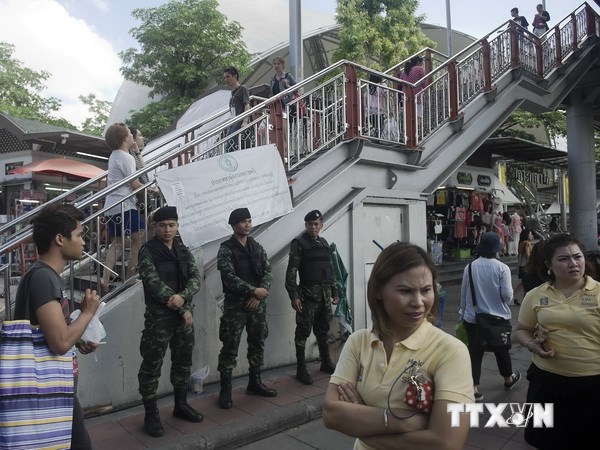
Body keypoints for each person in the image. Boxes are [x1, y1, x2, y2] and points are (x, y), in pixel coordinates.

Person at [323, 242, 473, 449]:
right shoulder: (358, 342)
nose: (418, 301)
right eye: (405, 291)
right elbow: (331, 414)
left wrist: (362, 427)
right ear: (378, 291)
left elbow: (446, 443)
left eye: (426, 290)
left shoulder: (451, 351)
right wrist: (402, 420)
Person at [14, 203, 102, 449]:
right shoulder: (43, 277)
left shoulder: (45, 275)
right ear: (60, 239)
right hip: (47, 390)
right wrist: (87, 313)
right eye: (79, 235)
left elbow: (55, 333)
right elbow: (60, 342)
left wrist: (79, 339)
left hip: (54, 388)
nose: (84, 242)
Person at [516, 233, 600, 449]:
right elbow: (523, 330)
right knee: (546, 441)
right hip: (547, 382)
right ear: (548, 265)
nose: (573, 263)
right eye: (563, 259)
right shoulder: (535, 295)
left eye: (577, 257)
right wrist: (530, 344)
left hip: (593, 384)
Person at [137, 206, 203, 437]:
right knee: (151, 366)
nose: (167, 229)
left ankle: (180, 404)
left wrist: (183, 298)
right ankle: (151, 413)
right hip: (159, 319)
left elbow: (196, 278)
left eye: (171, 225)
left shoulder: (184, 251)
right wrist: (182, 307)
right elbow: (154, 284)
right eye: (163, 225)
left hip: (183, 319)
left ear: (177, 226)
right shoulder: (147, 252)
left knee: (183, 363)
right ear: (156, 227)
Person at [217, 207, 277, 409]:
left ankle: (255, 382)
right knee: (230, 347)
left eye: (249, 221)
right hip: (236, 306)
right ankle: (225, 391)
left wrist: (258, 295)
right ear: (234, 225)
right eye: (243, 221)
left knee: (257, 342)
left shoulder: (257, 247)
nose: (248, 225)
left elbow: (268, 271)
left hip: (257, 304)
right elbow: (229, 277)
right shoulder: (226, 249)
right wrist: (253, 291)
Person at [460, 232, 520, 401]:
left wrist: (462, 313)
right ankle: (508, 379)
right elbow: (508, 296)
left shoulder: (470, 267)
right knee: (502, 350)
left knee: (475, 352)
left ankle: (474, 388)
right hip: (498, 319)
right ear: (497, 249)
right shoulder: (502, 268)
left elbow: (464, 294)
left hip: (473, 318)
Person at [285, 210, 339, 385]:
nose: (313, 227)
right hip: (307, 297)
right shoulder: (298, 244)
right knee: (302, 333)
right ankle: (301, 369)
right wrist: (294, 296)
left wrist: (335, 291)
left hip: (324, 296)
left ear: (321, 224)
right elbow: (291, 272)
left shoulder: (324, 243)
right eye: (309, 224)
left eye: (316, 224)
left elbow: (330, 270)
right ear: (306, 225)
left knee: (323, 330)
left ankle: (326, 362)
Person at [101, 123, 157, 292]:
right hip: (124, 205)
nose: (133, 136)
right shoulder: (126, 157)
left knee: (117, 243)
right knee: (138, 238)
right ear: (124, 138)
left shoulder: (114, 155)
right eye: (130, 134)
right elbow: (133, 183)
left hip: (112, 206)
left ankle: (105, 279)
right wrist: (152, 189)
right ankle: (131, 276)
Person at [224, 66, 250, 152]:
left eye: (228, 77)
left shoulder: (242, 88)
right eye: (225, 77)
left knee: (232, 146)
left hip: (239, 123)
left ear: (235, 76)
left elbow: (247, 105)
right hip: (233, 123)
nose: (226, 79)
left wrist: (245, 121)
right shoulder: (232, 93)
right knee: (229, 146)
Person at [514, 228, 535, 305]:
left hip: (520, 265)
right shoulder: (527, 243)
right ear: (526, 235)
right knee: (526, 282)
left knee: (523, 282)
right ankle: (525, 300)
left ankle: (516, 297)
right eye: (530, 234)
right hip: (526, 265)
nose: (531, 235)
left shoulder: (521, 243)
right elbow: (527, 255)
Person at [363, 74, 387, 139]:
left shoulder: (369, 86)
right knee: (380, 126)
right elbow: (386, 95)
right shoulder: (382, 85)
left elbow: (365, 98)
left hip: (369, 110)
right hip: (379, 110)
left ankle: (375, 137)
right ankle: (377, 138)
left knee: (375, 125)